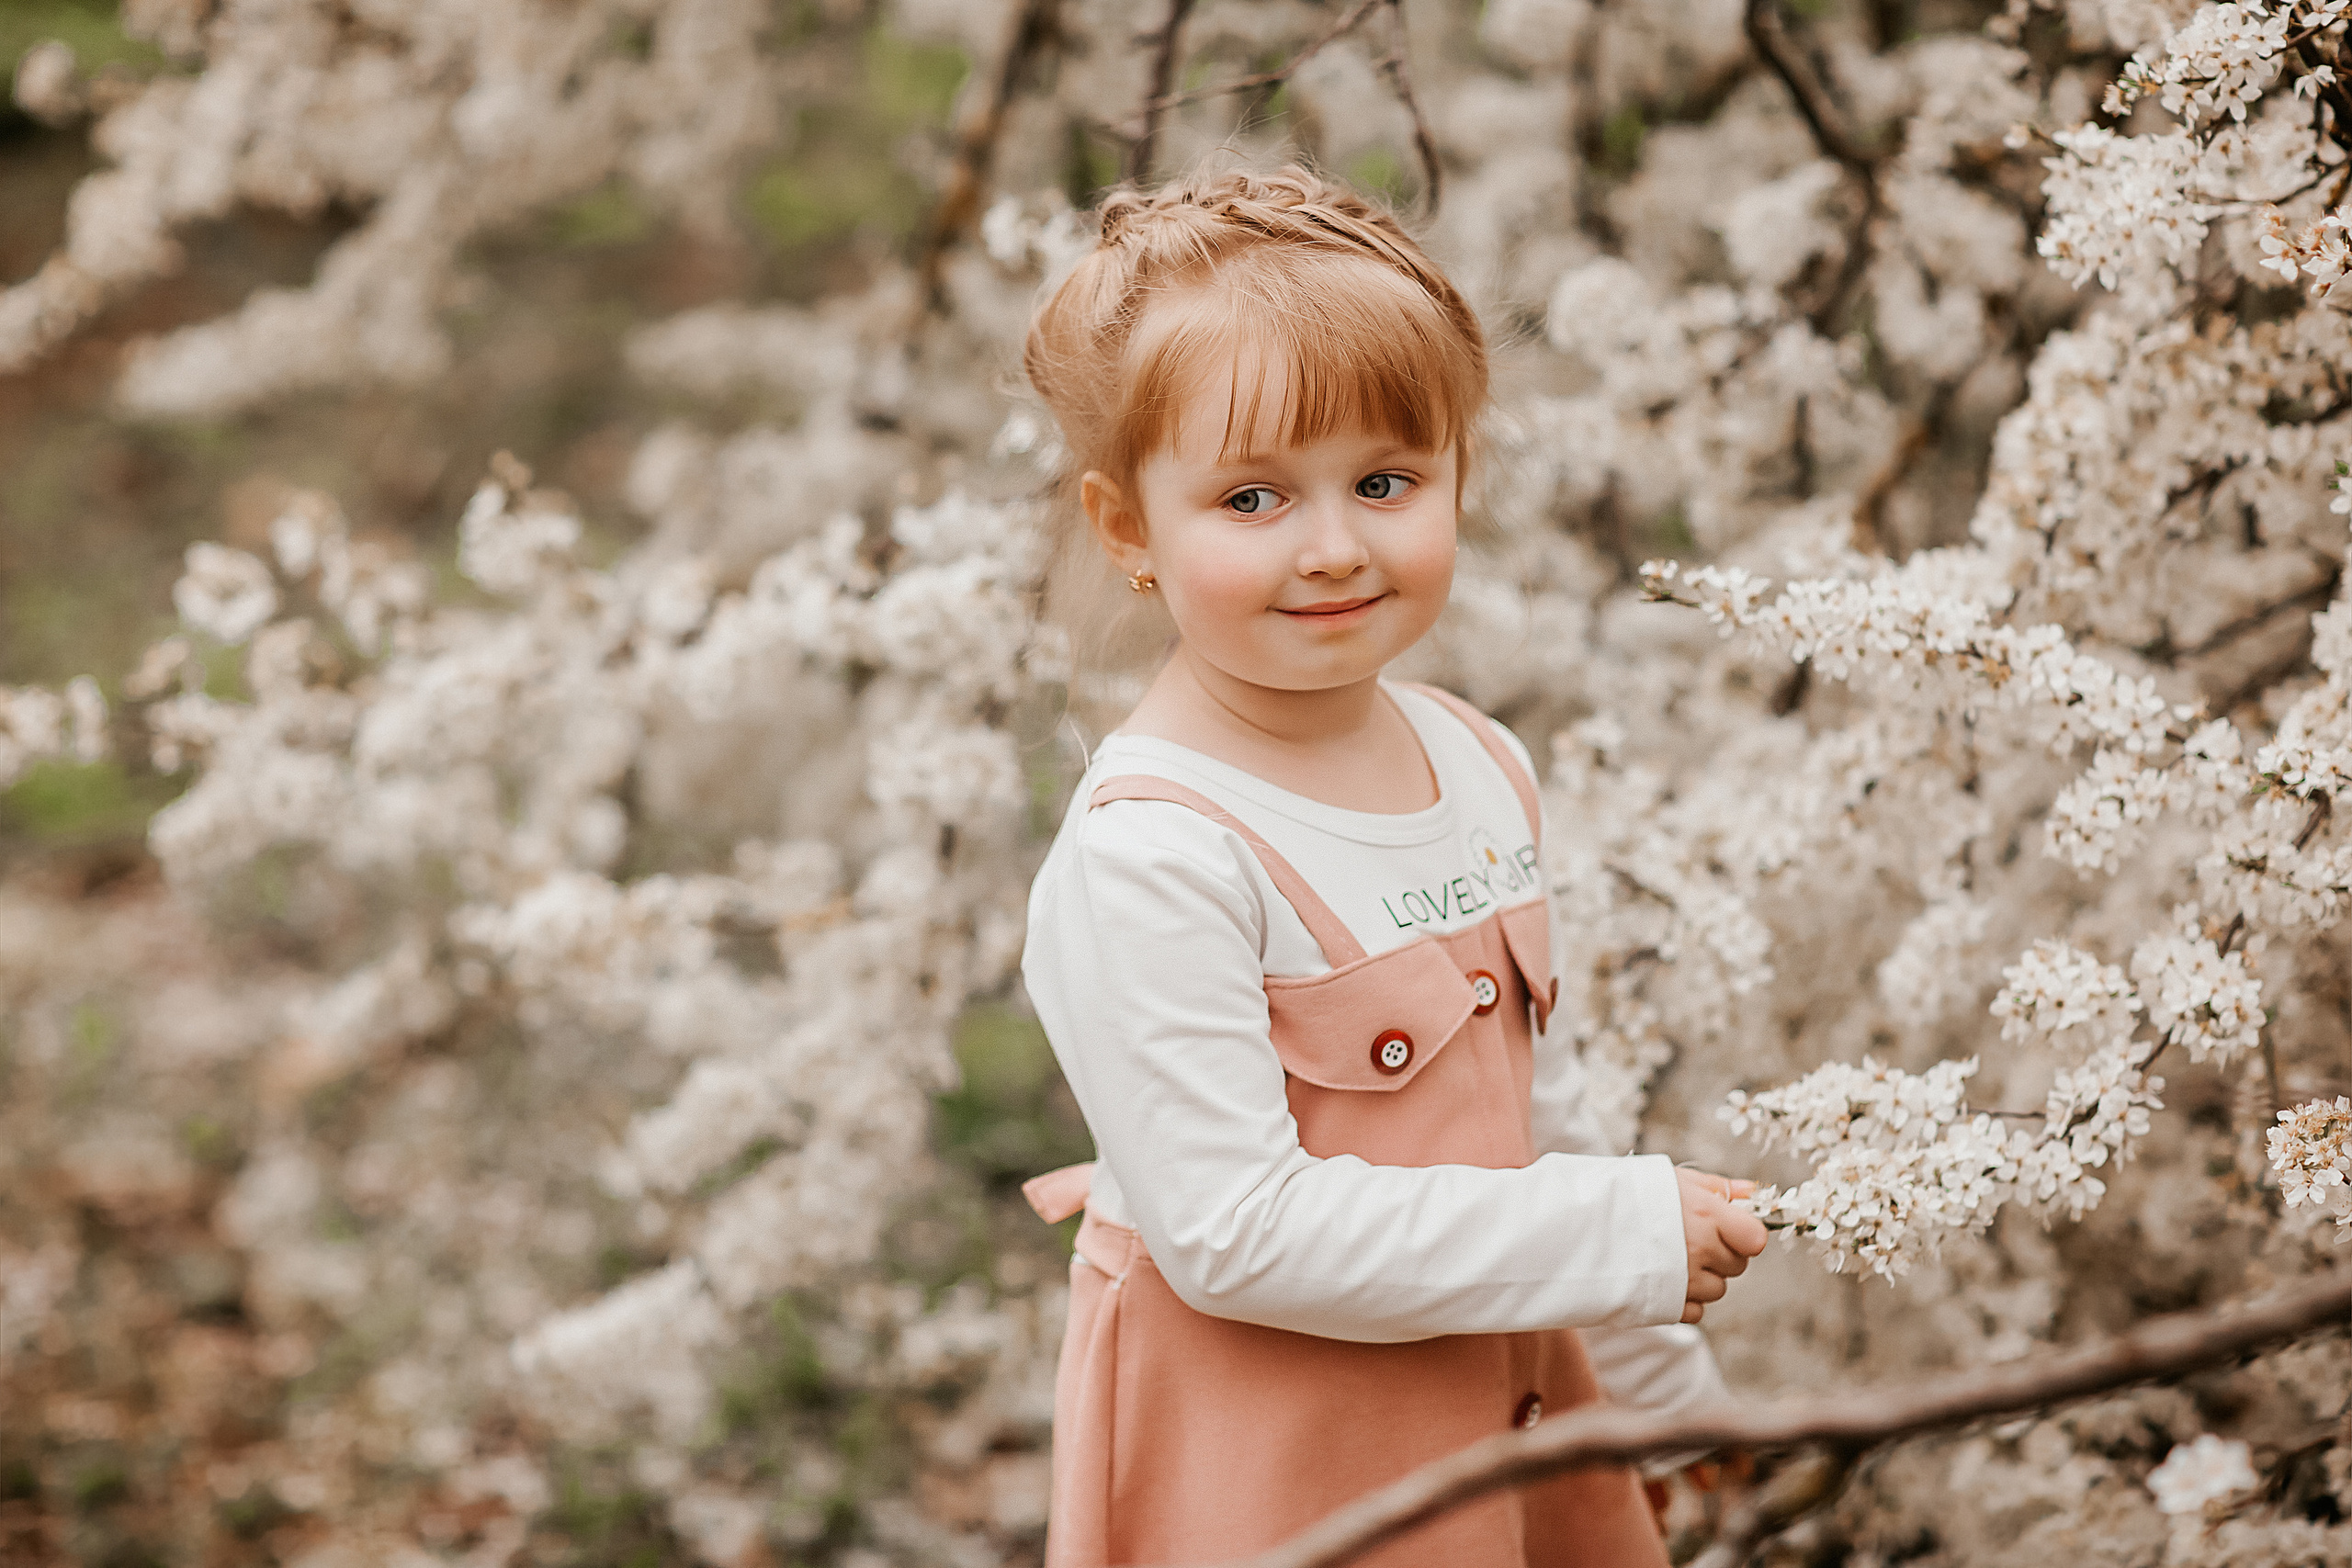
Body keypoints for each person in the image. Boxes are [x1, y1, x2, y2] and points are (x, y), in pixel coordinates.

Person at [1015, 164, 1768, 1568]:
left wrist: (1666, 1399)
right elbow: (1235, 1229)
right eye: (1252, 498)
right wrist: (1618, 1230)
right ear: (1130, 529)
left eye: (1383, 480)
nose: (1335, 547)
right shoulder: (1157, 854)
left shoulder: (1475, 759)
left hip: (1506, 1408)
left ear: (1456, 476)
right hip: (1276, 1460)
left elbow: (1536, 1119)